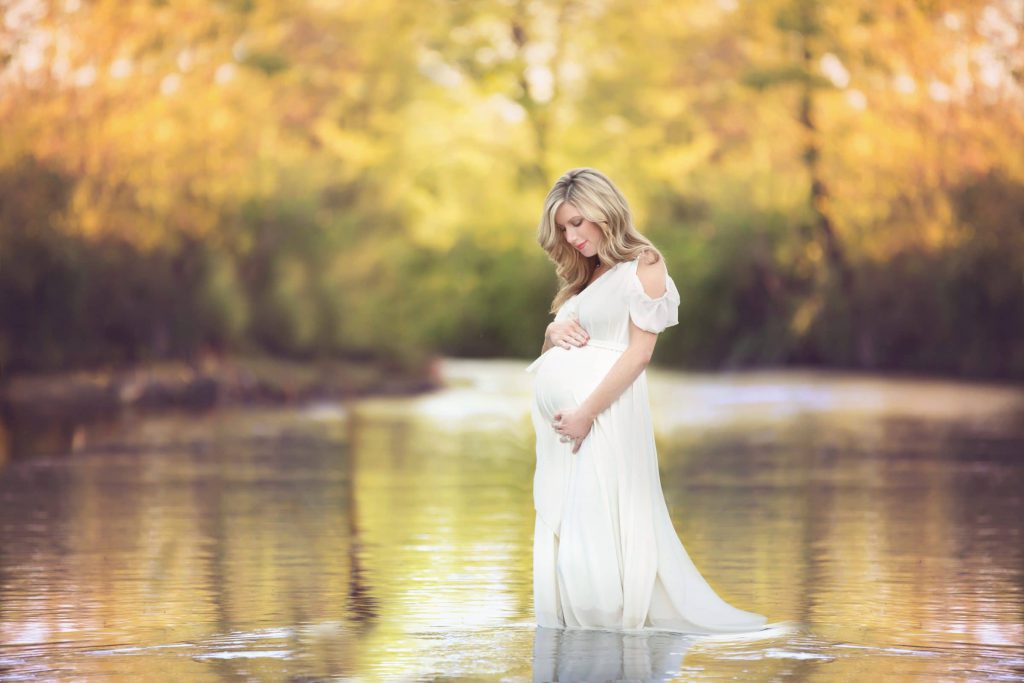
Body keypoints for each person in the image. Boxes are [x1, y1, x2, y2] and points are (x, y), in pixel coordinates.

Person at [526, 168, 767, 632]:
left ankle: (604, 637)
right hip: (570, 432)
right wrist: (552, 332)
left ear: (603, 210)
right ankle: (580, 639)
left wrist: (583, 414)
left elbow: (640, 354)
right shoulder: (589, 276)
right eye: (563, 228)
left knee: (596, 534)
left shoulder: (645, 264)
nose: (571, 236)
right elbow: (550, 356)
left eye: (577, 221)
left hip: (602, 419)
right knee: (574, 538)